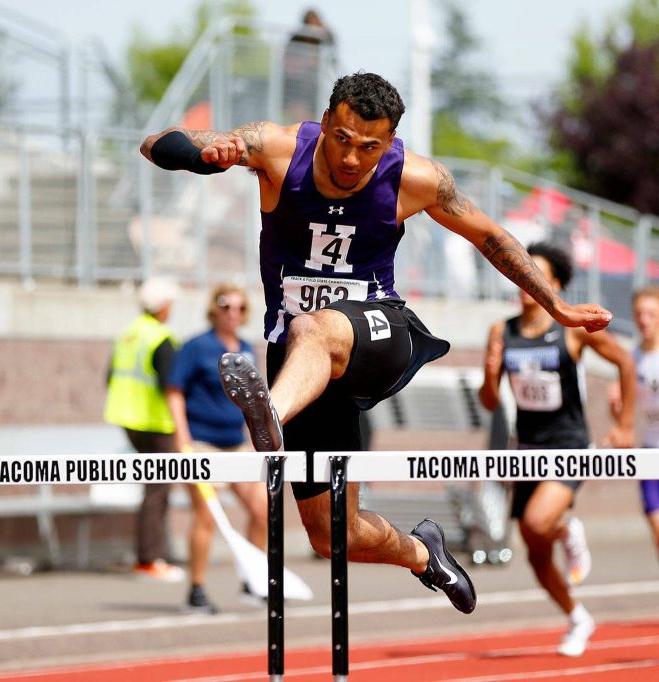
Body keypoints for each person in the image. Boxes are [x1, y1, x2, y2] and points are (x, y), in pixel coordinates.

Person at [139, 71, 616, 619]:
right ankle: (425, 554)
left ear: (390, 143)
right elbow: (156, 145)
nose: (350, 159)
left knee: (317, 326)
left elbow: (490, 236)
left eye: (370, 148)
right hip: (301, 367)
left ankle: (268, 412)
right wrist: (207, 155)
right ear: (324, 124)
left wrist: (554, 304)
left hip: (379, 332)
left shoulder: (415, 178)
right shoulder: (274, 148)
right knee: (332, 535)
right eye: (341, 139)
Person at [478, 242, 635, 656]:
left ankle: (566, 526)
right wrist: (491, 374)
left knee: (535, 522)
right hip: (526, 447)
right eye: (523, 274)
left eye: (539, 276)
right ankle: (577, 615)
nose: (527, 283)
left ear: (557, 285)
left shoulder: (569, 329)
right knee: (535, 554)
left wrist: (624, 424)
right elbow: (490, 402)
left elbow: (624, 361)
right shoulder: (502, 331)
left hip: (568, 445)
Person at [165, 283, 266, 613]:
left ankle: (254, 582)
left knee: (263, 509)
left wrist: (256, 438)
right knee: (206, 516)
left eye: (239, 307)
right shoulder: (196, 346)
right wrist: (183, 439)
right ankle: (196, 590)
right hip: (202, 445)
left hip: (236, 445)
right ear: (214, 309)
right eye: (226, 306)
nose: (232, 313)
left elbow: (253, 398)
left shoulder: (246, 349)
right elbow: (175, 391)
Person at [104, 277, 186, 583]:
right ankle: (149, 559)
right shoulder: (161, 337)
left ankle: (154, 553)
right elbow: (171, 387)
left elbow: (109, 377)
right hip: (155, 422)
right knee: (157, 490)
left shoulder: (128, 333)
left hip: (127, 419)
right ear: (163, 307)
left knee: (152, 488)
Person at [616, 287, 659, 559]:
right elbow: (624, 419)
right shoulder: (630, 361)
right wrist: (617, 412)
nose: (644, 320)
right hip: (649, 457)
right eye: (639, 314)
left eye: (651, 314)